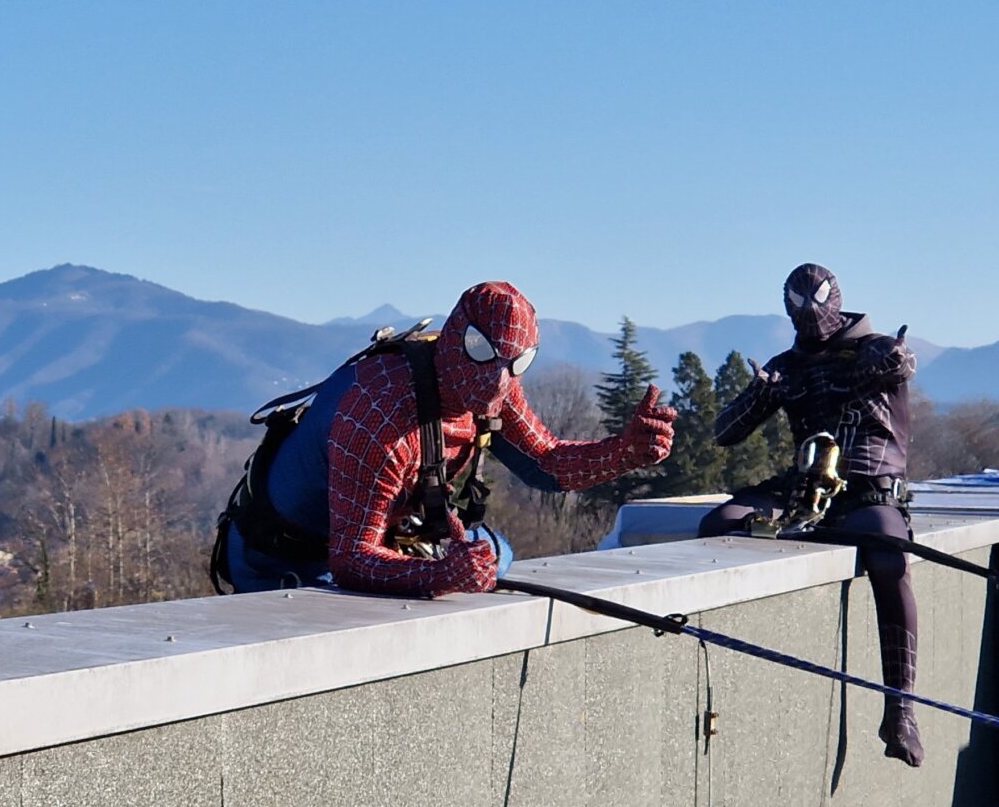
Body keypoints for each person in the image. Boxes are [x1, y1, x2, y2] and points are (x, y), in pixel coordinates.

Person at [214, 281, 675, 597]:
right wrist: (441, 574)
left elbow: (545, 462)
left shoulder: (490, 384)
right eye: (482, 352)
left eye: (518, 363)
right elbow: (352, 559)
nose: (497, 381)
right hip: (278, 560)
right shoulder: (380, 412)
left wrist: (624, 452)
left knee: (495, 554)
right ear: (456, 337)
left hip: (374, 540)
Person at [699, 263, 922, 767]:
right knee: (720, 525)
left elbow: (900, 363)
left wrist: (862, 368)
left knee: (889, 560)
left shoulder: (877, 348)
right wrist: (764, 390)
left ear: (835, 299)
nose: (810, 315)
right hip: (807, 494)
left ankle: (901, 708)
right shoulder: (788, 366)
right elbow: (724, 432)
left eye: (817, 302)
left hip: (870, 493)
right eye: (798, 306)